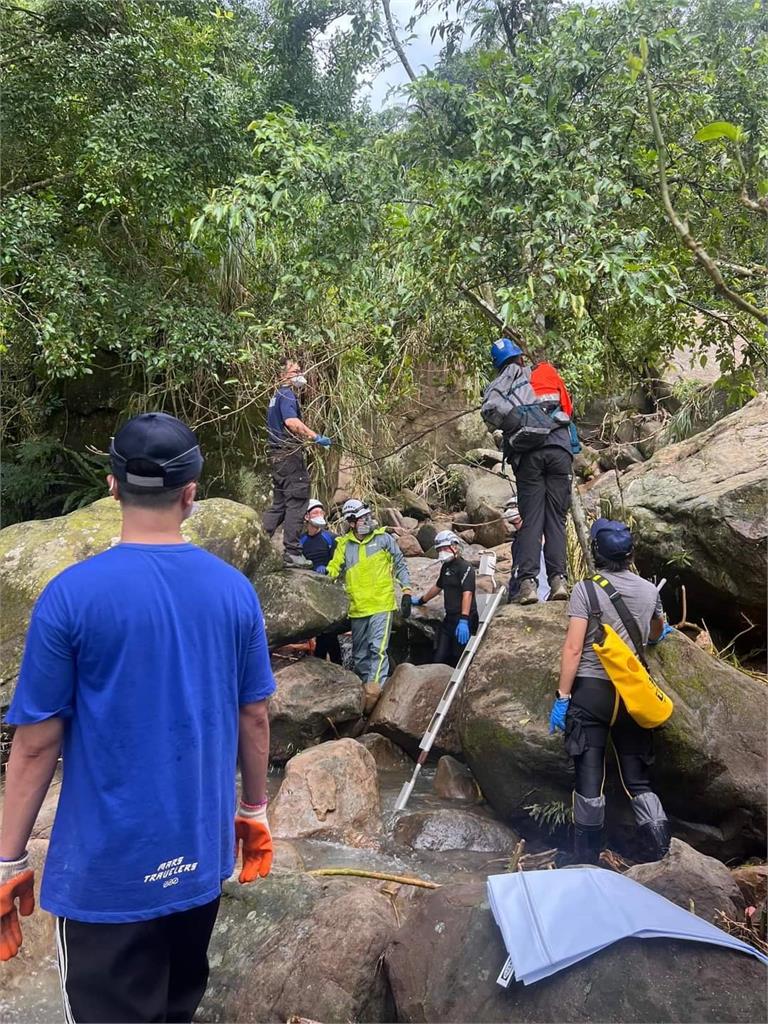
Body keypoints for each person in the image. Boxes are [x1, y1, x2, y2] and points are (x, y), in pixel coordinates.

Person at [0, 412, 275, 1022]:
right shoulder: (235, 592)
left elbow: (36, 747)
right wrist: (254, 812)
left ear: (112, 486)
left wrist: (8, 861)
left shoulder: (70, 597)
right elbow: (254, 716)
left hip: (106, 883)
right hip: (197, 868)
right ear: (191, 493)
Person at [549, 518, 673, 865]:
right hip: (631, 696)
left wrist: (562, 698)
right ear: (631, 554)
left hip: (592, 693)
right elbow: (655, 632)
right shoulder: (650, 591)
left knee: (590, 778)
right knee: (636, 778)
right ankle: (664, 855)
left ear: (596, 552)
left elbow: (573, 649)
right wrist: (657, 632)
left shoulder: (585, 590)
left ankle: (585, 859)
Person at [485, 338, 575, 606]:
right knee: (556, 520)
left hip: (529, 457)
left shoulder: (506, 381)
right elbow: (568, 410)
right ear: (522, 357)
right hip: (559, 452)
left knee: (532, 522)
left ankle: (528, 584)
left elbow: (491, 410)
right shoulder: (546, 375)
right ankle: (558, 580)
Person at [327, 499, 411, 689]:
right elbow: (334, 568)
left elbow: (400, 564)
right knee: (359, 654)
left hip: (382, 605)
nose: (368, 521)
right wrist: (322, 576)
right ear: (351, 522)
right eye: (362, 518)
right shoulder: (344, 545)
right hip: (357, 608)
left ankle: (375, 690)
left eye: (368, 516)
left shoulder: (384, 539)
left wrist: (406, 590)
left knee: (378, 650)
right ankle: (365, 688)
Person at [263, 358, 332, 569]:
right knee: (297, 501)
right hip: (288, 456)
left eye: (300, 370)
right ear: (282, 376)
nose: (300, 374)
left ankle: (259, 540)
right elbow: (291, 422)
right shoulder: (286, 394)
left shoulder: (274, 398)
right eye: (295, 371)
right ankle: (292, 552)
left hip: (276, 455)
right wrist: (315, 436)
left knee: (280, 504)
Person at [411, 530, 478, 667]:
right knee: (439, 656)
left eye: (444, 548)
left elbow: (468, 594)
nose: (442, 552)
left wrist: (464, 620)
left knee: (458, 657)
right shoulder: (446, 566)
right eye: (439, 549)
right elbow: (438, 586)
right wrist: (421, 600)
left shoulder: (466, 568)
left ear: (454, 546)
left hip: (465, 618)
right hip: (449, 618)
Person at [299, 498, 342, 665]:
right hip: (311, 590)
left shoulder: (330, 538)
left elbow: (340, 560)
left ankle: (329, 663)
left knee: (328, 631)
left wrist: (328, 569)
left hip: (330, 589)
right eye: (315, 513)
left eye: (321, 512)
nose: (319, 515)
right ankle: (324, 663)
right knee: (322, 632)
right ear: (306, 517)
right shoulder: (300, 541)